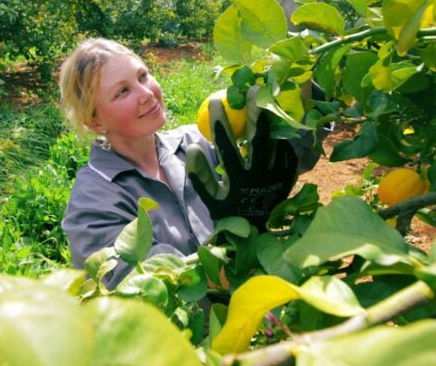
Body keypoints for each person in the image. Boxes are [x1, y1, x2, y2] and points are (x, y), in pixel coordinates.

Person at [58, 38, 327, 288]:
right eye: (123, 91)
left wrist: (297, 74)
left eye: (143, 76)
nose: (147, 94)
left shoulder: (197, 140)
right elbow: (149, 285)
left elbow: (292, 153)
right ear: (95, 122)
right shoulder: (92, 202)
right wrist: (242, 242)